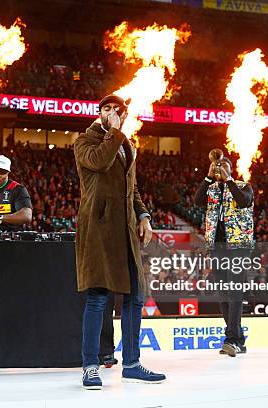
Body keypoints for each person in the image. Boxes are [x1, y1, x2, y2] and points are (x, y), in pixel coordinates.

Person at [73, 94, 165, 390]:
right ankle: (90, 366)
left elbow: (132, 187)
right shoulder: (84, 142)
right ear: (98, 113)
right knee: (98, 297)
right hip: (99, 227)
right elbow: (99, 162)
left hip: (125, 230)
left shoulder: (127, 145)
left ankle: (132, 364)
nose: (112, 113)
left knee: (135, 297)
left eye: (117, 110)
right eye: (106, 108)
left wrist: (144, 215)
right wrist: (113, 131)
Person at [194, 155, 254, 357]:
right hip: (217, 248)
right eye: (217, 166)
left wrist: (228, 180)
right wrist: (208, 177)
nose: (220, 169)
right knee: (222, 294)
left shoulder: (243, 186)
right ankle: (238, 340)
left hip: (238, 247)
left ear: (231, 169)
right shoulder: (211, 189)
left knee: (235, 293)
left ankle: (231, 339)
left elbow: (243, 201)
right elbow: (197, 200)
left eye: (224, 166)